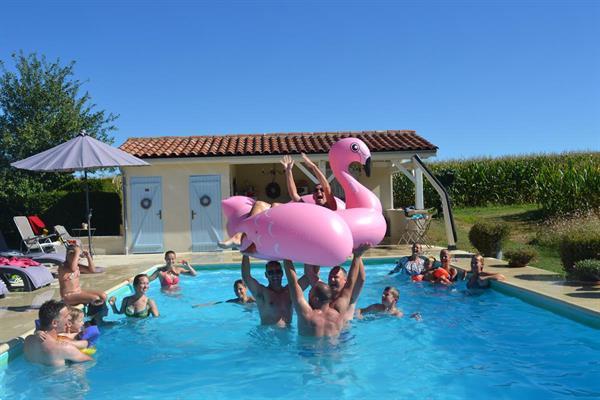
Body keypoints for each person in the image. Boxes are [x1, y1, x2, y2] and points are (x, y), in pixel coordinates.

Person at [218, 153, 337, 249]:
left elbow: (326, 187)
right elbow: (294, 194)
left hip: (306, 237)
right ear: (314, 196)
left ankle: (246, 237)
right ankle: (240, 236)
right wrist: (288, 171)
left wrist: (313, 166)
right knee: (259, 204)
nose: (320, 192)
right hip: (289, 226)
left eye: (321, 190)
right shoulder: (310, 209)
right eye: (316, 191)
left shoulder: (330, 206)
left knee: (275, 205)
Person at [283, 244, 369, 337]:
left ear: (315, 299)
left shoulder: (307, 315)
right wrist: (357, 256)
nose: (308, 296)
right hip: (334, 350)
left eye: (309, 294)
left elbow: (293, 284)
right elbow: (350, 284)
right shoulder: (339, 312)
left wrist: (286, 256)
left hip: (308, 351)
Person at [240, 255, 313, 327]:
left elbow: (308, 277)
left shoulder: (291, 291)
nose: (275, 275)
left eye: (278, 271)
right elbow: (246, 276)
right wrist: (246, 254)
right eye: (271, 272)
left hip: (287, 334)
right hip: (268, 335)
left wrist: (307, 251)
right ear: (266, 275)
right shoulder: (262, 292)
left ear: (282, 273)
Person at [24, 300, 92, 366]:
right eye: (67, 316)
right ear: (54, 323)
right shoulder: (64, 348)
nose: (70, 318)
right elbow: (90, 361)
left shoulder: (28, 341)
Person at [326, 244, 368, 322]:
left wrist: (358, 255)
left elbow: (361, 279)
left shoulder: (351, 297)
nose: (332, 280)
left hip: (345, 333)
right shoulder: (324, 296)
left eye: (336, 277)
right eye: (330, 277)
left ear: (345, 280)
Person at [356, 286, 421, 319]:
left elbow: (404, 319)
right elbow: (359, 310)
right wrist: (359, 315)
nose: (382, 296)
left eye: (386, 294)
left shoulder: (396, 313)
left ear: (395, 299)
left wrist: (412, 317)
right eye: (383, 294)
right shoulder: (376, 307)